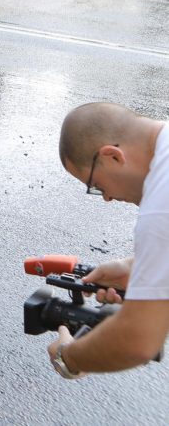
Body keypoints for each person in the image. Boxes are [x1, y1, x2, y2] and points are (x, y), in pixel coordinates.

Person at [48, 102, 169, 378]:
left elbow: (138, 341)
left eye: (97, 186)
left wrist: (68, 356)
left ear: (112, 156)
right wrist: (139, 269)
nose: (106, 198)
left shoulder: (162, 202)